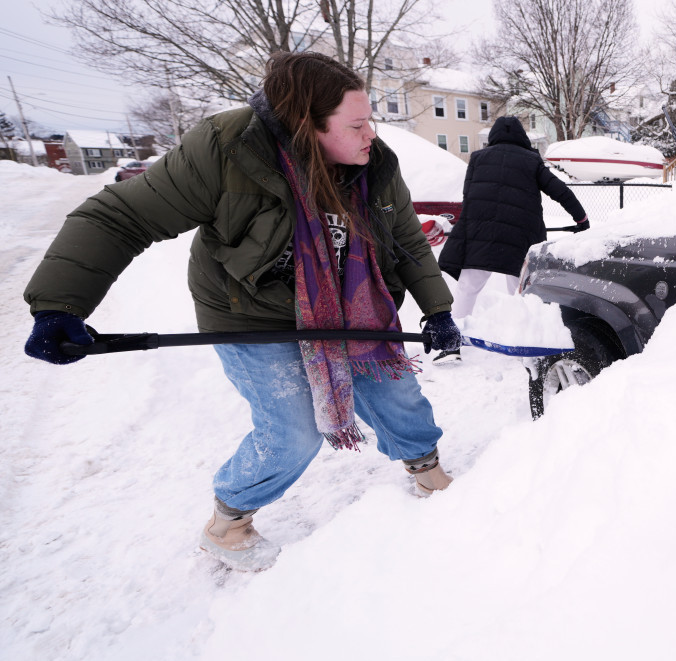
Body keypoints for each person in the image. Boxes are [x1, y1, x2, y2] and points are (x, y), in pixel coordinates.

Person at [22, 52, 462, 572]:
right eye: (358, 124)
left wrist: (437, 309)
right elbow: (122, 217)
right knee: (293, 429)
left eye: (371, 121)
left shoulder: (374, 165)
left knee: (394, 390)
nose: (371, 134)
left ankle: (428, 471)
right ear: (306, 125)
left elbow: (406, 237)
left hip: (349, 307)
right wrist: (58, 305)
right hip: (250, 311)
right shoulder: (227, 148)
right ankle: (229, 523)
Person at [435, 116, 588, 362]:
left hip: (480, 234)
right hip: (520, 237)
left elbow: (468, 197)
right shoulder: (532, 161)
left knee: (467, 288)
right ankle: (524, 345)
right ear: (522, 137)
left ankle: (452, 344)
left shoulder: (477, 158)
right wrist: (581, 219)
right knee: (519, 290)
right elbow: (560, 191)